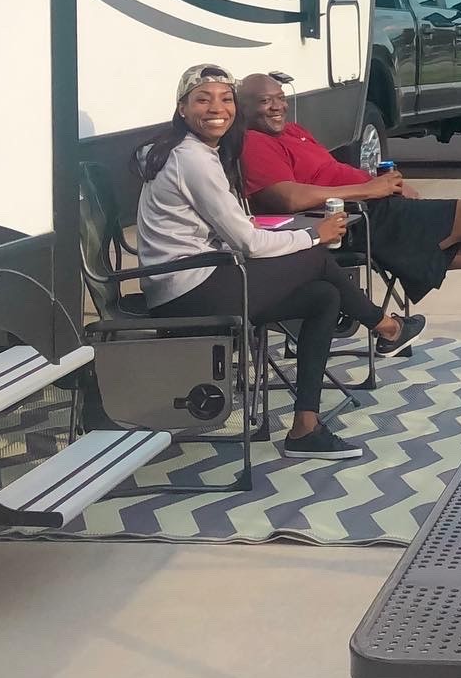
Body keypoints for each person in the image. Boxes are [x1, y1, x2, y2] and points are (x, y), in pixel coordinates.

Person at [136, 64, 426, 462]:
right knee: (316, 258)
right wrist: (314, 234)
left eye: (225, 99)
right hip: (186, 289)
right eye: (203, 100)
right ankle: (386, 327)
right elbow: (249, 244)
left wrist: (278, 233)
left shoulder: (191, 151)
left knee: (323, 297)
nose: (216, 108)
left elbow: (231, 230)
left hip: (201, 275)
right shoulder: (193, 160)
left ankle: (305, 428)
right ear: (182, 109)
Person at [235, 73, 461, 303]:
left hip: (372, 207)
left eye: (280, 98)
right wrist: (370, 190)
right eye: (265, 101)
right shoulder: (255, 142)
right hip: (351, 222)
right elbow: (288, 198)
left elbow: (331, 172)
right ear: (244, 108)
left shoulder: (293, 131)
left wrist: (387, 185)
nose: (277, 107)